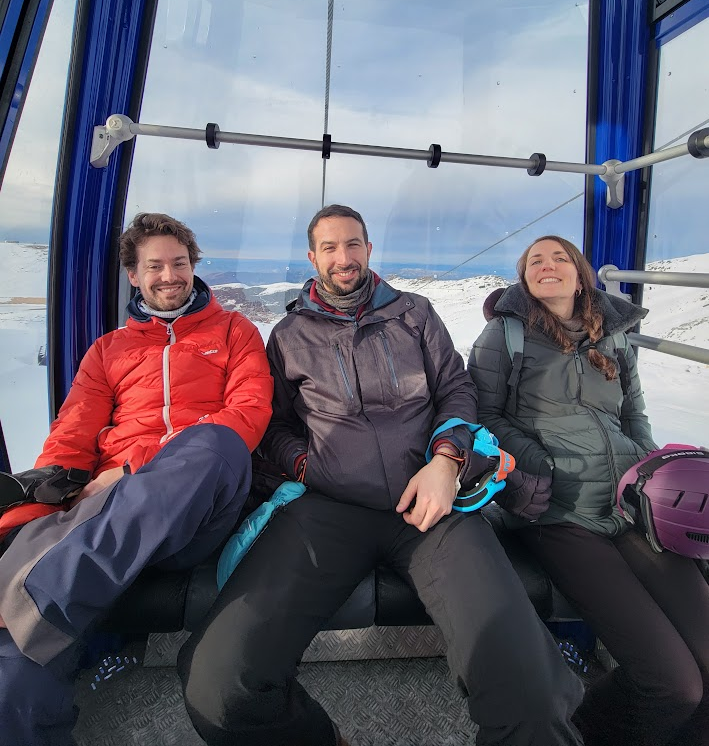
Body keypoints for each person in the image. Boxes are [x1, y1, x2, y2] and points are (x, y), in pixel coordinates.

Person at [178, 205, 585, 746]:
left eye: (353, 244)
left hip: (430, 505)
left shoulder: (414, 314)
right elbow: (274, 425)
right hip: (327, 510)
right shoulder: (291, 334)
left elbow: (456, 390)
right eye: (329, 247)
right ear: (313, 258)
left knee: (533, 692)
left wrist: (446, 461)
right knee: (219, 683)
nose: (343, 257)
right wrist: (307, 465)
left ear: (369, 250)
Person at [0, 212, 274, 746]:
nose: (170, 275)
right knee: (13, 681)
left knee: (215, 442)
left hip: (198, 502)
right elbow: (70, 442)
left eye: (180, 263)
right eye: (155, 266)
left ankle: (41, 598)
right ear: (133, 274)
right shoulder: (108, 351)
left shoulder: (234, 332)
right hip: (110, 507)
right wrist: (26, 519)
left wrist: (132, 468)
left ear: (193, 265)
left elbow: (246, 415)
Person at [467, 234, 709, 746]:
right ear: (524, 278)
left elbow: (634, 413)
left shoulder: (614, 337)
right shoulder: (504, 335)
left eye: (559, 258)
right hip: (559, 513)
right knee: (674, 685)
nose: (547, 265)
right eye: (535, 260)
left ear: (580, 275)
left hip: (630, 507)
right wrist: (541, 463)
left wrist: (650, 473)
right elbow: (483, 416)